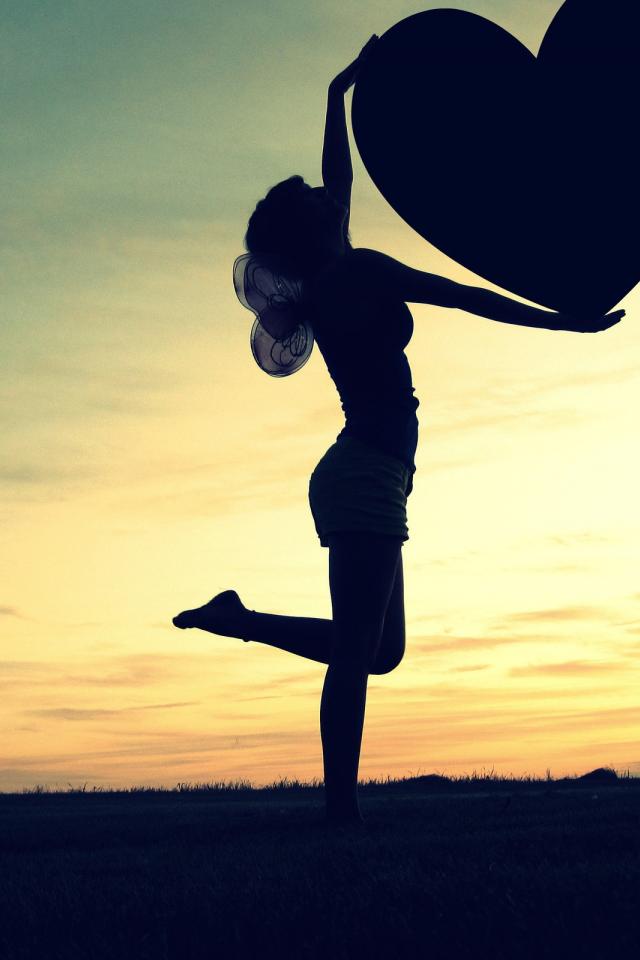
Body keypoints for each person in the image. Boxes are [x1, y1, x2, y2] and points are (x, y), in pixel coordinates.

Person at [173, 37, 624, 826]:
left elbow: (338, 179)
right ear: (312, 229)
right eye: (316, 200)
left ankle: (238, 620)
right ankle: (340, 814)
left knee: (380, 650)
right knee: (358, 652)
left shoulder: (330, 273)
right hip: (366, 471)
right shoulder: (359, 271)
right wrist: (564, 322)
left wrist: (337, 93)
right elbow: (462, 295)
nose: (330, 196)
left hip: (371, 471)